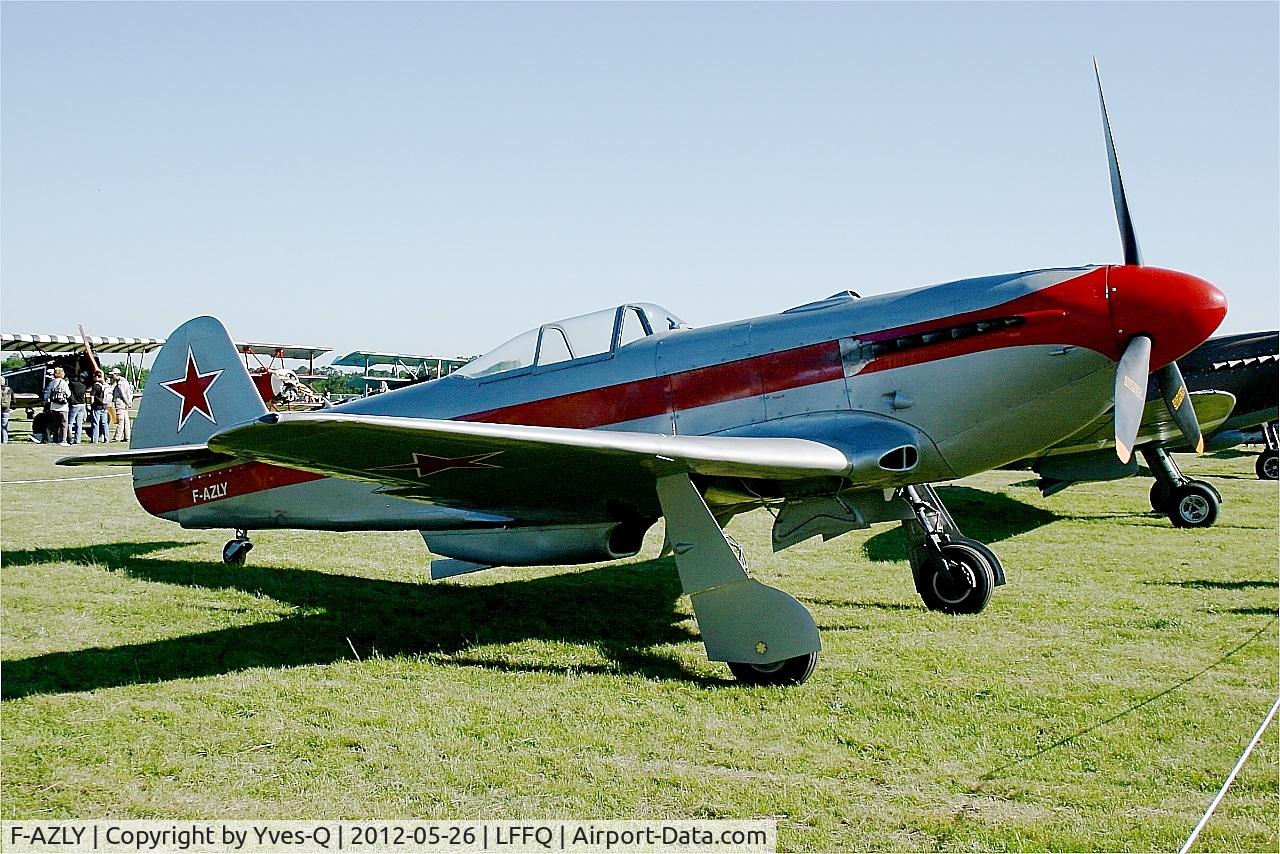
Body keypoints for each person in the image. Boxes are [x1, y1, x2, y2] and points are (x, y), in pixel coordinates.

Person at [46, 366, 71, 445]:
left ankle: (55, 439)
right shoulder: (63, 383)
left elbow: (47, 394)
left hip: (53, 406)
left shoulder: (52, 383)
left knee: (55, 424)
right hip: (63, 406)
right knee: (64, 424)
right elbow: (68, 394)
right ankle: (63, 440)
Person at [110, 367, 135, 442]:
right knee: (126, 421)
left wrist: (127, 402)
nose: (112, 377)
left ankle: (117, 437)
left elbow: (123, 394)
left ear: (116, 374)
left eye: (113, 375)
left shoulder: (120, 383)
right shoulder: (125, 382)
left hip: (120, 403)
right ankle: (127, 436)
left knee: (120, 420)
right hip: (124, 404)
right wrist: (129, 402)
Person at [88, 370, 109, 442]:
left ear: (96, 377)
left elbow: (92, 396)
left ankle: (95, 439)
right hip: (105, 406)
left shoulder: (95, 385)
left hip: (97, 406)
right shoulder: (106, 385)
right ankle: (107, 438)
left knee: (95, 423)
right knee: (104, 423)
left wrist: (90, 404)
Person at [68, 372, 88, 444]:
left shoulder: (72, 384)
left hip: (74, 404)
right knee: (79, 423)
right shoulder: (84, 386)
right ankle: (78, 439)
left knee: (70, 422)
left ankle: (69, 438)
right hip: (82, 404)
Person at [0, 375, 12, 443]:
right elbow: (14, 399)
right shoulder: (9, 389)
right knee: (4, 426)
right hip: (6, 410)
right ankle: (5, 440)